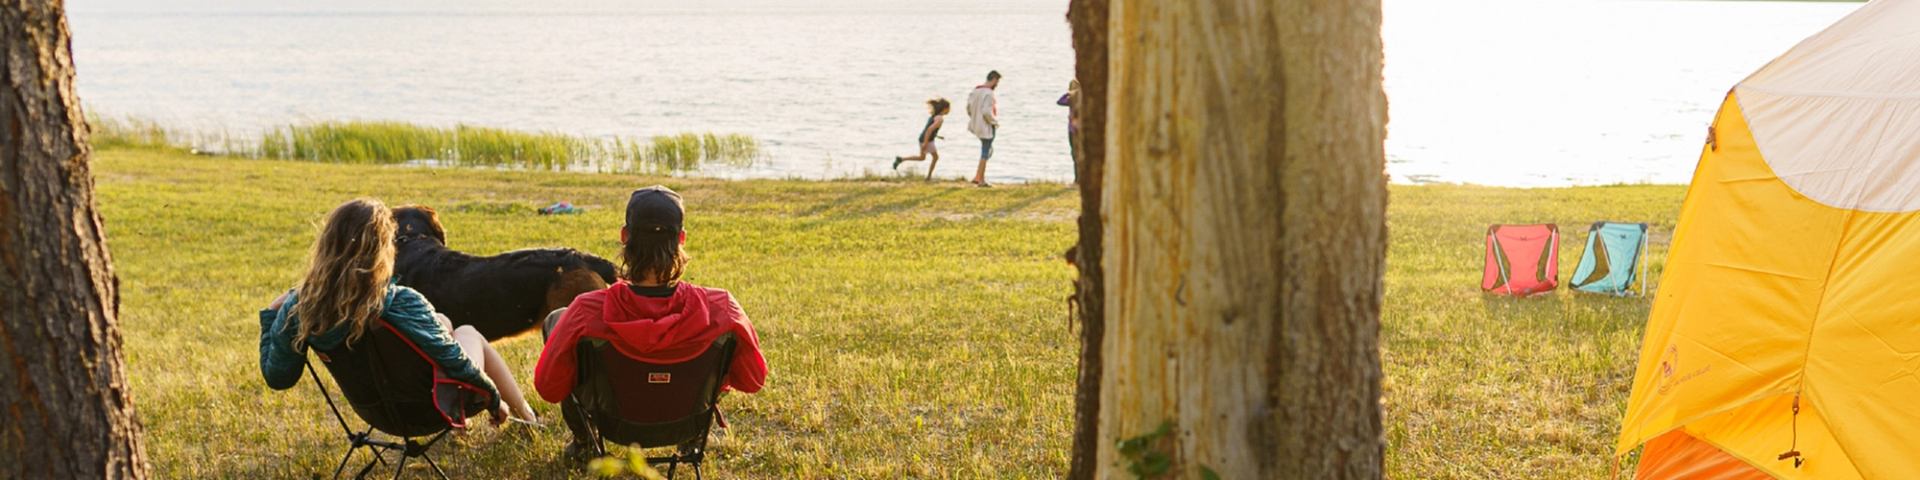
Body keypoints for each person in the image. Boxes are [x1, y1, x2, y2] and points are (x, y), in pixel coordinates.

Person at [534, 185, 769, 461]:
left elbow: (549, 388)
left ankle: (586, 442)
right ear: (681, 239)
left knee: (556, 321)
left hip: (614, 425)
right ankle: (691, 439)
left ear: (625, 236)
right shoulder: (721, 307)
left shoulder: (586, 311)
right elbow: (753, 380)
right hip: (686, 422)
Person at [258, 198, 539, 427]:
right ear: (383, 249)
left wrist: (273, 312)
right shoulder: (400, 302)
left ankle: (524, 416)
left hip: (375, 415)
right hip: (431, 412)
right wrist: (493, 398)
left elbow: (278, 378)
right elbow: (456, 363)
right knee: (467, 333)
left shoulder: (301, 312)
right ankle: (527, 417)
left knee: (442, 323)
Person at [893, 97, 952, 180]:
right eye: (949, 109)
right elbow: (929, 129)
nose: (949, 111)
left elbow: (929, 129)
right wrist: (925, 143)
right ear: (945, 109)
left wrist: (937, 136)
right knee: (935, 157)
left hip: (923, 138)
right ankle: (928, 177)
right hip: (927, 140)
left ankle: (901, 159)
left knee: (922, 157)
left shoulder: (934, 116)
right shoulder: (940, 119)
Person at [966, 70, 1002, 187]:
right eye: (997, 82)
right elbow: (987, 111)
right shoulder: (989, 93)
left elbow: (968, 108)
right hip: (986, 126)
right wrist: (994, 122)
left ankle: (978, 176)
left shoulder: (975, 90)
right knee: (985, 152)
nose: (997, 85)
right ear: (994, 80)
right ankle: (980, 180)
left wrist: (974, 118)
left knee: (985, 150)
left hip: (976, 125)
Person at [1057, 79, 1081, 180]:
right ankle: (1078, 178)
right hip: (1075, 130)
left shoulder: (1072, 99)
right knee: (1076, 154)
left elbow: (1060, 101)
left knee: (1075, 154)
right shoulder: (1075, 99)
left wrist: (1067, 93)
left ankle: (1078, 178)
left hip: (1073, 130)